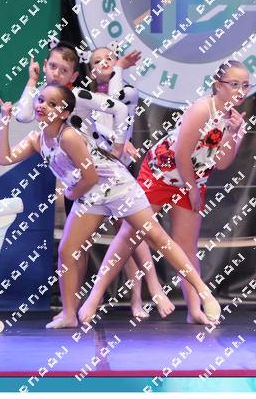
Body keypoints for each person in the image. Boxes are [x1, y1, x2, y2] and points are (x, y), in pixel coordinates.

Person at [0, 84, 221, 328]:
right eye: (40, 100)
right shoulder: (36, 140)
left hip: (115, 186)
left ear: (64, 113)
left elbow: (90, 176)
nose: (42, 106)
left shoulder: (68, 136)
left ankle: (203, 291)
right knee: (67, 250)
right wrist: (5, 120)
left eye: (52, 104)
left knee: (157, 238)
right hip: (90, 194)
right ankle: (69, 315)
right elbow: (4, 158)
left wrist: (70, 193)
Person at [77, 60, 249, 325]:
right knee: (130, 234)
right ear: (218, 85)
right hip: (162, 173)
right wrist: (191, 189)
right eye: (234, 84)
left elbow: (223, 162)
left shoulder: (236, 120)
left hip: (193, 179)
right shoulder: (202, 109)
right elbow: (181, 153)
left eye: (245, 85)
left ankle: (194, 310)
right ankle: (95, 296)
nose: (240, 91)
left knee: (187, 245)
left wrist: (234, 134)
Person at [88, 46, 176, 319]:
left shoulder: (126, 91)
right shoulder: (85, 97)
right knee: (122, 236)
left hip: (118, 169)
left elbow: (120, 114)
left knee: (133, 231)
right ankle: (136, 295)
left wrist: (123, 141)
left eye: (109, 59)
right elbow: (91, 128)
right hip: (94, 170)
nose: (104, 63)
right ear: (90, 70)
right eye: (97, 61)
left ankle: (150, 289)